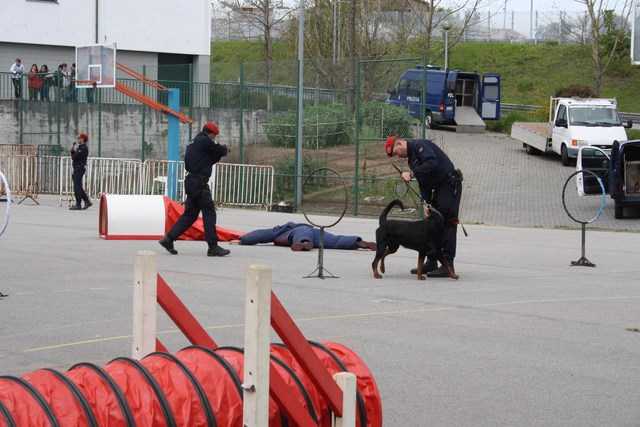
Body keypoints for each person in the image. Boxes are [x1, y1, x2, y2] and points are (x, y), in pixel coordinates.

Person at [385, 135, 463, 277]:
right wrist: (425, 204)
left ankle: (448, 264)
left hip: (448, 184)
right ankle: (431, 261)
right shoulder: (412, 160)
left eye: (395, 152)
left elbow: (432, 162)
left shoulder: (419, 145)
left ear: (401, 143)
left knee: (447, 222)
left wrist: (412, 174)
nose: (397, 156)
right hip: (438, 188)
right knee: (432, 224)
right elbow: (424, 182)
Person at [159, 122, 230, 257]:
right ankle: (213, 246)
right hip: (199, 183)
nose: (214, 139)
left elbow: (209, 160)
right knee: (209, 212)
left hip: (192, 182)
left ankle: (169, 238)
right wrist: (225, 149)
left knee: (190, 215)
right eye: (214, 137)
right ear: (211, 134)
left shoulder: (194, 143)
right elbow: (220, 150)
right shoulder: (204, 140)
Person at [229, 222, 377, 251]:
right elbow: (262, 234)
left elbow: (262, 234)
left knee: (303, 235)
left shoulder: (281, 230)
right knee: (336, 240)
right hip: (316, 232)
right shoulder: (284, 229)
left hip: (300, 232)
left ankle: (304, 244)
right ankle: (358, 242)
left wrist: (243, 240)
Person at [69, 133, 93, 210]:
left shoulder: (83, 148)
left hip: (79, 168)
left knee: (77, 187)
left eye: (79, 138)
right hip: (77, 168)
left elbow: (74, 157)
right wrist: (73, 151)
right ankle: (86, 201)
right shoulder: (80, 147)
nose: (77, 139)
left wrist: (72, 152)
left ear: (83, 139)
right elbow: (75, 157)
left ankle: (78, 204)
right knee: (78, 186)